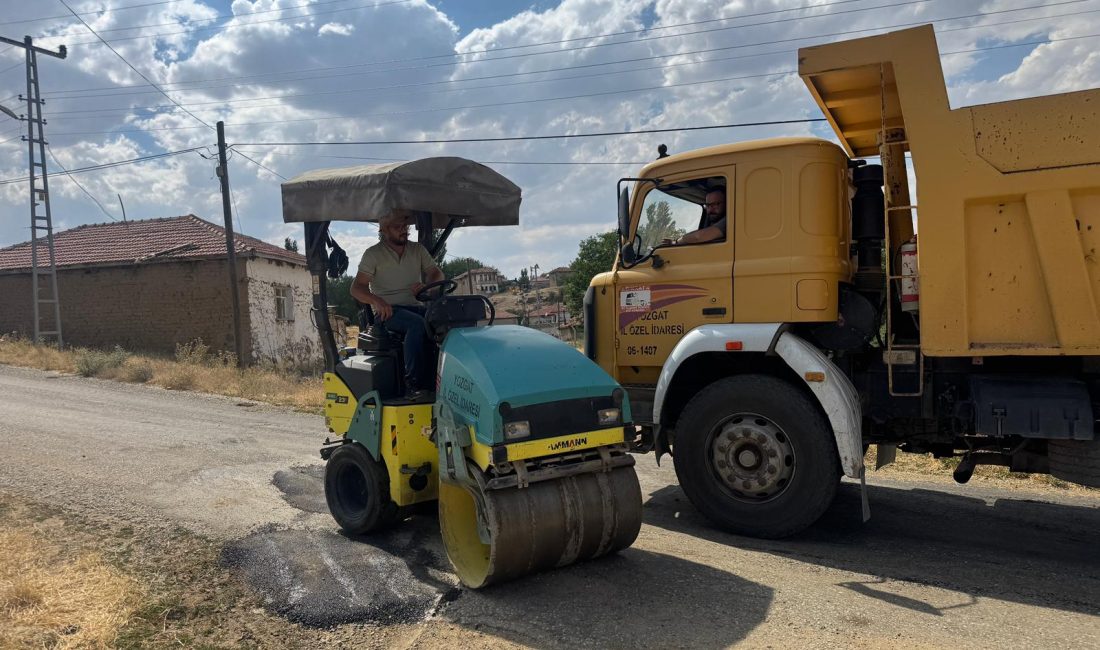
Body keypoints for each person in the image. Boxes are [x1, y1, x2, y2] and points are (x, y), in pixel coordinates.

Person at [350, 210, 444, 398]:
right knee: (417, 325)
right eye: (397, 227)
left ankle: (442, 381)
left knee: (446, 324)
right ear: (383, 230)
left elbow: (436, 273)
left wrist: (428, 286)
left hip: (418, 307)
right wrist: (377, 301)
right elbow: (356, 288)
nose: (403, 230)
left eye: (405, 226)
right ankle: (414, 385)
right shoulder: (373, 254)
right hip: (388, 312)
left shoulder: (417, 250)